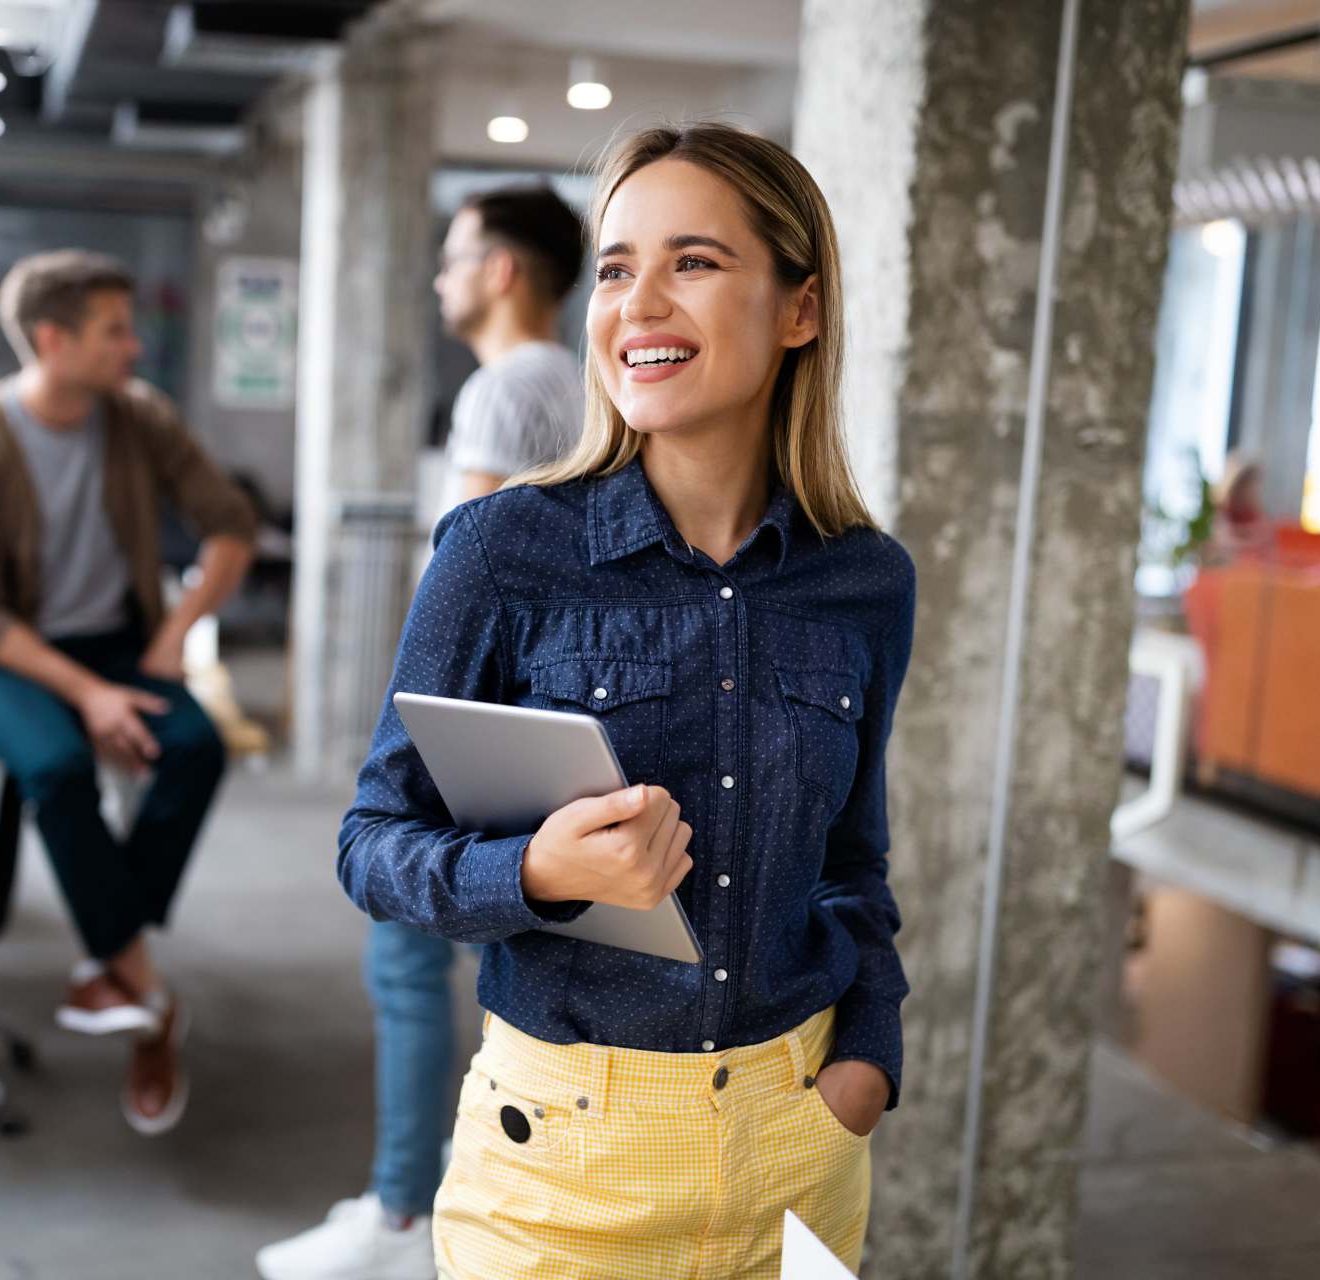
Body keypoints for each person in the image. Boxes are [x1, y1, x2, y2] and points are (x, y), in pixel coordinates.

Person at [337, 122, 915, 1277]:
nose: (638, 302)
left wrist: (870, 1058)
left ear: (800, 308)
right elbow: (370, 844)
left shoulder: (865, 579)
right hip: (561, 1159)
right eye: (615, 268)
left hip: (798, 1144)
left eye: (692, 262)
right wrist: (538, 874)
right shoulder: (502, 551)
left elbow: (853, 861)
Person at [256, 185, 585, 1280]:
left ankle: (405, 1208)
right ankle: (458, 1189)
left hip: (485, 717)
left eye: (453, 257)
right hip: (554, 708)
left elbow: (463, 581)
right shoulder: (578, 387)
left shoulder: (503, 391)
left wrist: (415, 727)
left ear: (504, 270)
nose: (441, 278)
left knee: (405, 950)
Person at [0, 249, 257, 1136]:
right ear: (50, 339)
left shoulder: (137, 419)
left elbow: (230, 525)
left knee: (196, 746)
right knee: (59, 765)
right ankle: (145, 992)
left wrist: (173, 634)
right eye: (114, 331)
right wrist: (88, 696)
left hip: (119, 640)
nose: (134, 347)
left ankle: (112, 957)